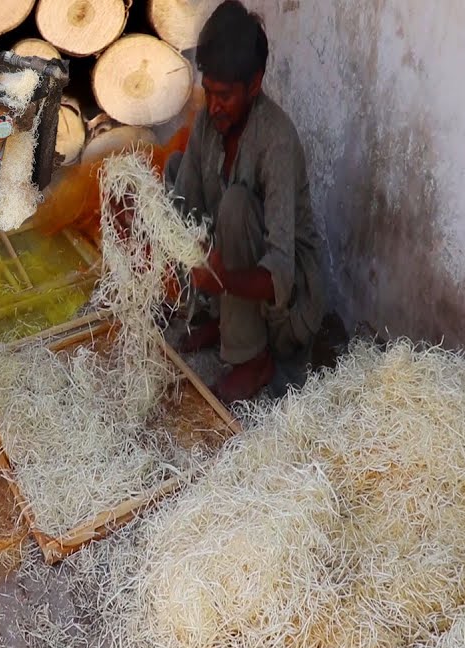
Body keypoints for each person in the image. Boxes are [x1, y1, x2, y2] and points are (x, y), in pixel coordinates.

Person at [169, 0, 325, 403]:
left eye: (225, 95)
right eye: (208, 92)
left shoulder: (276, 141)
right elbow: (183, 204)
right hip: (233, 274)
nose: (213, 106)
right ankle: (220, 318)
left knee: (236, 205)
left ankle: (252, 359)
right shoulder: (210, 120)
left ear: (254, 85)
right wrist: (148, 223)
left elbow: (279, 276)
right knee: (175, 169)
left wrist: (221, 280)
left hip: (289, 305)